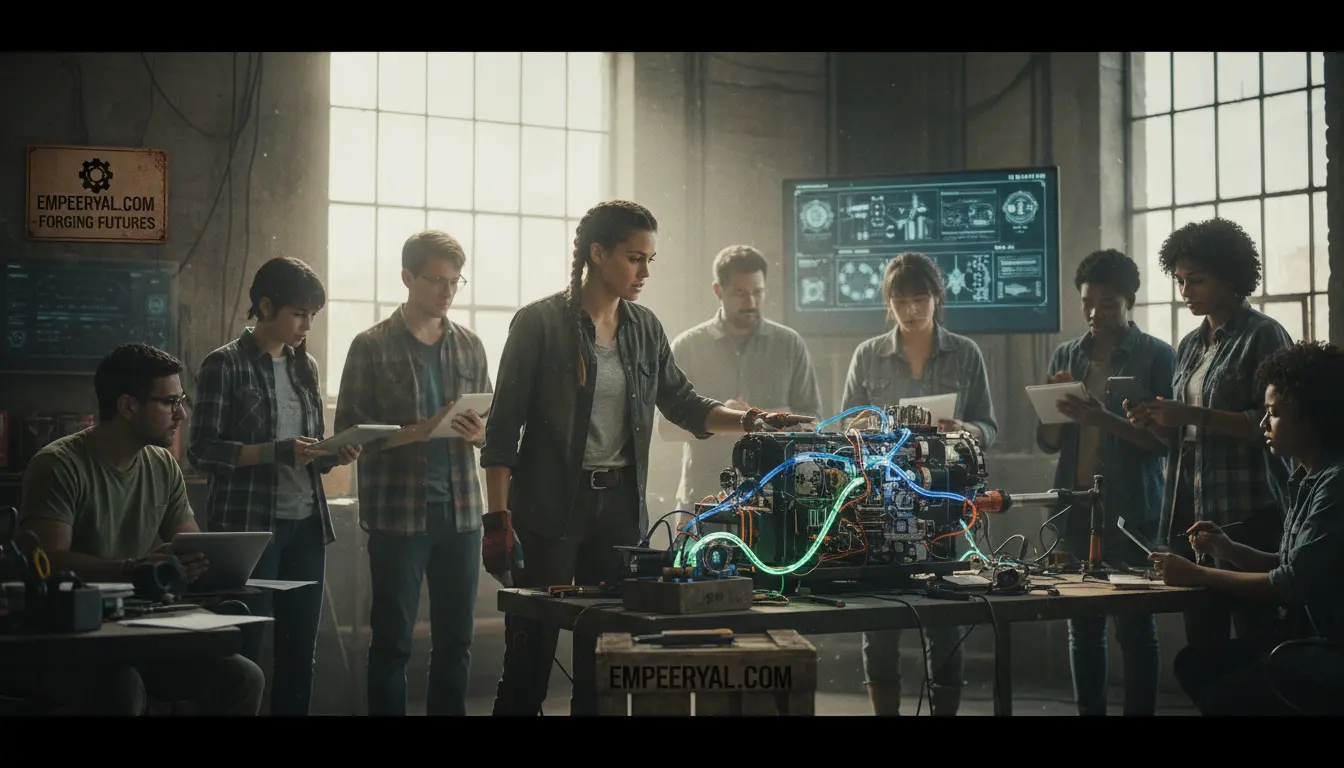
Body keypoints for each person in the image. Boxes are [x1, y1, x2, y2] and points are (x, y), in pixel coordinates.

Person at [481, 200, 811, 716]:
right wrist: (497, 521)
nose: (645, 272)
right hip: (548, 513)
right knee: (529, 661)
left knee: (604, 663)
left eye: (650, 260)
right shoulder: (538, 324)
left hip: (618, 514)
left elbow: (685, 404)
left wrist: (753, 420)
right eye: (635, 259)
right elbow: (502, 431)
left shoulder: (644, 327)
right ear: (598, 253)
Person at [8, 344, 264, 716]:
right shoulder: (58, 465)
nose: (182, 414)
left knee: (243, 678)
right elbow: (47, 560)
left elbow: (191, 545)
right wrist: (133, 569)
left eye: (182, 401)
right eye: (171, 402)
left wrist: (195, 564)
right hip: (70, 639)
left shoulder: (163, 465)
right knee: (121, 689)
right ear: (128, 406)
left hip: (141, 631)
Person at [188, 257, 359, 716]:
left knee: (300, 652)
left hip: (306, 524)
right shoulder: (224, 364)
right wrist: (273, 451)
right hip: (250, 530)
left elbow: (307, 450)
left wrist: (333, 453)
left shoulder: (307, 367)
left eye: (313, 315)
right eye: (299, 314)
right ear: (265, 306)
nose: (307, 325)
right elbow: (202, 452)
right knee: (242, 650)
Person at [334, 230, 493, 717]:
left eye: (455, 281)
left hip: (462, 513)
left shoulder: (470, 346)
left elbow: (491, 427)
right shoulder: (371, 345)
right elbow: (350, 435)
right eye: (436, 280)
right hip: (397, 514)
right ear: (407, 278)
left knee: (456, 641)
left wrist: (478, 434)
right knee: (392, 642)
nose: (447, 291)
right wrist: (421, 430)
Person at [1150, 341, 1344, 715]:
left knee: (1223, 696)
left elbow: (1289, 585)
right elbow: (1290, 563)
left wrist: (1199, 574)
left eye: (1273, 413)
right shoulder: (1307, 477)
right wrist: (1229, 549)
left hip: (1329, 648)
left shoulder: (1336, 484)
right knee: (1194, 663)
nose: (1262, 424)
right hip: (1307, 639)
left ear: (1309, 417)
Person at [841, 252, 997, 717]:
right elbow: (845, 427)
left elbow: (990, 426)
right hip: (880, 499)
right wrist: (862, 426)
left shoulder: (965, 353)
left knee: (946, 617)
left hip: (944, 498)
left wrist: (965, 429)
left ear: (936, 298)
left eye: (920, 298)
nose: (910, 309)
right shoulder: (868, 354)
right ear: (888, 303)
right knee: (879, 619)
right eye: (900, 300)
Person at [1125, 218, 1293, 649]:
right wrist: (1157, 422)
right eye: (1180, 280)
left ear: (1230, 276)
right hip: (1191, 511)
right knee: (1203, 642)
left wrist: (1189, 413)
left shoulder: (1263, 334)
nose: (1185, 291)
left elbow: (1276, 424)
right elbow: (1184, 439)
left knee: (1258, 638)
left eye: (1196, 280)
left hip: (1247, 511)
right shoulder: (1190, 345)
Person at [1036, 249, 1174, 716]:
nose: (1095, 313)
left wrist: (1102, 417)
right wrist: (1054, 406)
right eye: (1087, 303)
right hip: (1076, 508)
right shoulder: (1067, 354)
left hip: (1132, 509)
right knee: (1083, 628)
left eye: (1108, 304)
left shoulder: (1156, 355)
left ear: (1130, 301)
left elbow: (1162, 443)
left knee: (1135, 628)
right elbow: (1049, 443)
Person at [660, 244, 823, 511]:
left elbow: (814, 422)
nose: (750, 303)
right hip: (702, 500)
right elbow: (665, 428)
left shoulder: (790, 345)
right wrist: (721, 420)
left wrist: (753, 418)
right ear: (718, 290)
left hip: (777, 503)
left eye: (757, 292)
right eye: (739, 293)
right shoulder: (687, 347)